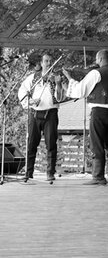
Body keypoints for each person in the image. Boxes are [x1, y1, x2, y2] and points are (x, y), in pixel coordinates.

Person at [64, 49, 108, 186]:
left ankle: (98, 176)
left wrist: (69, 79)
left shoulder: (96, 73)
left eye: (97, 59)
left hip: (99, 111)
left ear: (101, 59)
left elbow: (80, 90)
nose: (96, 62)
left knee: (97, 144)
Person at [17, 53, 66, 182]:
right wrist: (31, 101)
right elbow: (22, 92)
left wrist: (59, 85)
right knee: (31, 143)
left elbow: (60, 98)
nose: (48, 63)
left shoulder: (56, 78)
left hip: (50, 114)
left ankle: (50, 173)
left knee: (51, 144)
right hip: (34, 113)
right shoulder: (33, 78)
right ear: (41, 63)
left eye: (50, 61)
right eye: (46, 61)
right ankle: (29, 173)